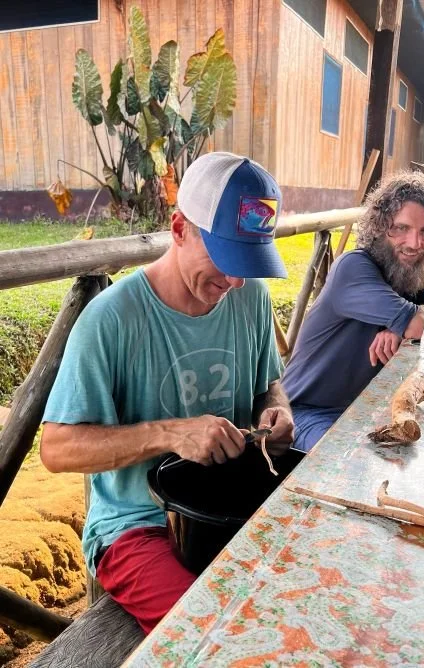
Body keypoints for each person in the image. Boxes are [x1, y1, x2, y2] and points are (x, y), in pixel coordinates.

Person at [40, 152, 295, 634]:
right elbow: (56, 449)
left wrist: (277, 412)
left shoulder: (249, 296)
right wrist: (169, 433)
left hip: (228, 507)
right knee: (213, 637)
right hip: (138, 525)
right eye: (224, 259)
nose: (234, 280)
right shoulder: (112, 319)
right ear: (179, 229)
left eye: (248, 262)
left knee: (299, 599)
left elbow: (269, 386)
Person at [282, 170, 424, 453]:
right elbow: (419, 324)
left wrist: (403, 325)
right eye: (402, 228)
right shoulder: (354, 267)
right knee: (356, 464)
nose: (414, 243)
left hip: (370, 411)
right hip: (308, 414)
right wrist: (408, 322)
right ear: (381, 226)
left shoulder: (420, 274)